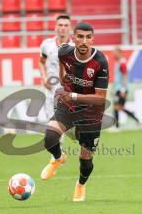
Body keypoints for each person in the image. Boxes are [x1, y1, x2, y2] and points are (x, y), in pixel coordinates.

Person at [40, 22, 109, 202]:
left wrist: (73, 95)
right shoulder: (64, 52)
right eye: (80, 37)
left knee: (86, 159)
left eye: (88, 37)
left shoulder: (100, 62)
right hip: (69, 106)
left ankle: (80, 185)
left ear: (93, 39)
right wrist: (65, 89)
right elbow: (63, 74)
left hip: (91, 113)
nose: (84, 41)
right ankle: (58, 157)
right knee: (49, 137)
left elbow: (101, 98)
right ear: (74, 38)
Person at [39, 14, 72, 120]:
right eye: (60, 25)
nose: (63, 28)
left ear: (70, 28)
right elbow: (41, 62)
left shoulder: (76, 47)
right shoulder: (47, 44)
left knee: (73, 132)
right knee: (53, 127)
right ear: (55, 27)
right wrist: (44, 78)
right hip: (51, 91)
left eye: (66, 25)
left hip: (70, 92)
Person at [113, 47, 139, 129]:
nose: (114, 54)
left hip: (121, 89)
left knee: (117, 107)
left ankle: (117, 126)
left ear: (120, 53)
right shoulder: (118, 63)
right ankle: (118, 125)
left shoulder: (122, 63)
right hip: (118, 89)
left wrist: (123, 90)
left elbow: (125, 76)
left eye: (115, 52)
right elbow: (118, 78)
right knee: (117, 106)